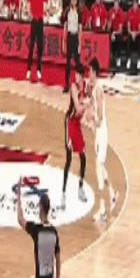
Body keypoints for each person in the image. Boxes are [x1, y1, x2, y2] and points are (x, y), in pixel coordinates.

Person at [16, 187, 60, 278]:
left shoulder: (36, 230)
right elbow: (58, 260)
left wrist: (18, 196)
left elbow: (20, 219)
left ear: (40, 207)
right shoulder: (54, 232)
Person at [88, 58, 119, 222]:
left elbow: (100, 116)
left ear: (94, 71)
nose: (88, 74)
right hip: (98, 133)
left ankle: (102, 209)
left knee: (98, 168)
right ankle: (112, 194)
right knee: (100, 166)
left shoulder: (99, 89)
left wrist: (92, 119)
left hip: (101, 132)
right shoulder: (94, 88)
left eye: (89, 71)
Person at [61, 63, 88, 209]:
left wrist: (89, 105)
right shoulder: (73, 87)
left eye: (78, 75)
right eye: (75, 75)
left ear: (82, 76)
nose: (76, 77)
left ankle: (80, 188)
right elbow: (77, 109)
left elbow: (86, 108)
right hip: (70, 122)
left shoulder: (85, 86)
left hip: (77, 124)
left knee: (83, 156)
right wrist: (87, 104)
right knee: (69, 158)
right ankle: (63, 194)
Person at [26, 0, 49, 81]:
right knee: (31, 46)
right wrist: (31, 15)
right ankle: (28, 69)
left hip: (40, 21)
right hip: (34, 21)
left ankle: (39, 70)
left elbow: (46, 5)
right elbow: (28, 5)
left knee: (40, 47)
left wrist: (44, 13)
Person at [62, 0, 82, 93]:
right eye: (72, 0)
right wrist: (63, 40)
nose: (73, 2)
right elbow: (65, 26)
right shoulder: (67, 11)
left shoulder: (79, 12)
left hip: (75, 37)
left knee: (77, 63)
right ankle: (66, 84)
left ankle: (79, 84)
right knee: (68, 62)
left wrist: (80, 44)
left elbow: (80, 28)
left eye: (74, 0)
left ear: (76, 1)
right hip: (69, 37)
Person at [108, 0, 126, 67]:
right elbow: (108, 28)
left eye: (117, 5)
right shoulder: (110, 11)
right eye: (114, 5)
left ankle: (118, 57)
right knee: (108, 37)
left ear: (118, 5)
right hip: (112, 31)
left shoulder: (121, 13)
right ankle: (110, 56)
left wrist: (114, 33)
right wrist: (111, 20)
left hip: (118, 32)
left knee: (119, 38)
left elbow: (120, 30)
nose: (115, 7)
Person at [126, 0, 140, 70]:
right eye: (133, 4)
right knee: (128, 39)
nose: (135, 5)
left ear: (137, 5)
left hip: (137, 33)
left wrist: (135, 34)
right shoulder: (129, 11)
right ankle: (129, 59)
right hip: (131, 32)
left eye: (136, 4)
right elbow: (128, 27)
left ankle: (139, 60)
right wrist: (132, 33)